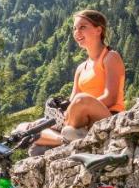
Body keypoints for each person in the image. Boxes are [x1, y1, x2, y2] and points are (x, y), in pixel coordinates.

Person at [32, 10, 126, 149]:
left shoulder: (110, 57)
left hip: (106, 116)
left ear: (98, 30)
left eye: (82, 27)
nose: (77, 32)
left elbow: (110, 98)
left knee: (82, 99)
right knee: (26, 128)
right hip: (77, 122)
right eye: (75, 28)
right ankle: (65, 139)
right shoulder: (81, 68)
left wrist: (75, 109)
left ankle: (65, 136)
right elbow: (72, 102)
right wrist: (63, 113)